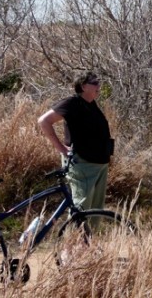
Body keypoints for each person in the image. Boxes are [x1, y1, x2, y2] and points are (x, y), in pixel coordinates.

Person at [38, 71, 114, 210]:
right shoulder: (72, 103)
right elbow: (44, 121)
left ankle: (90, 233)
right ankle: (75, 232)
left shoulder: (92, 104)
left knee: (95, 209)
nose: (99, 85)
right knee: (81, 207)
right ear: (83, 86)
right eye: (95, 82)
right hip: (82, 163)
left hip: (99, 163)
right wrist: (61, 148)